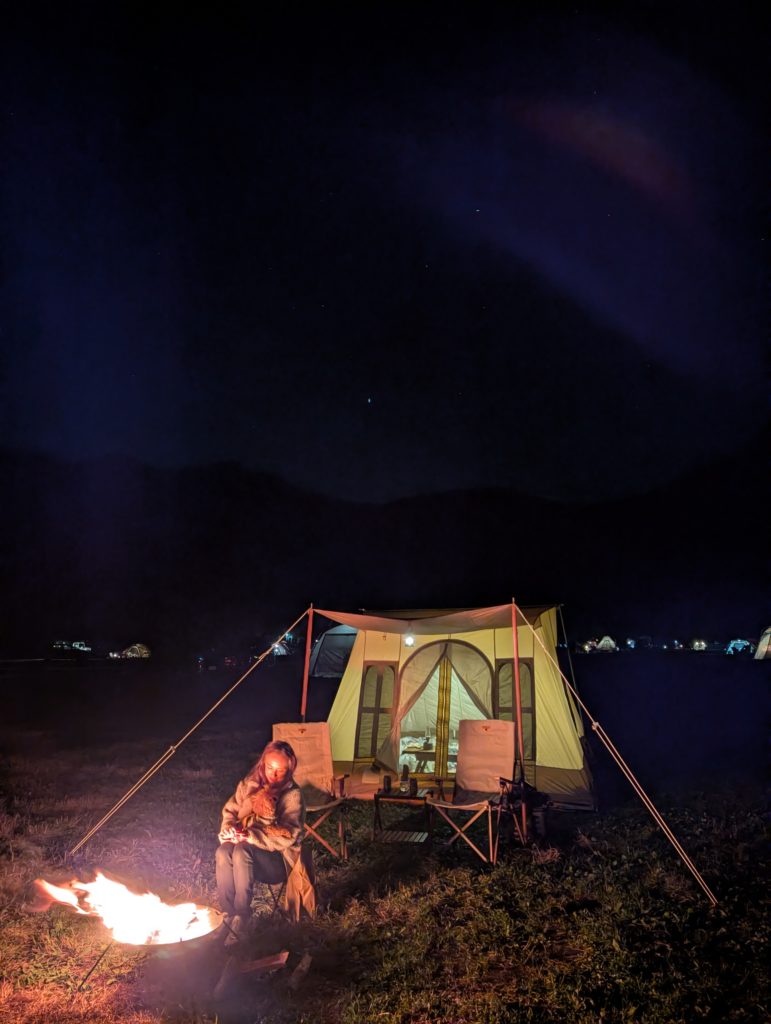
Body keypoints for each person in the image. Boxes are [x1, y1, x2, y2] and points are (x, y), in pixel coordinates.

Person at [215, 740, 310, 935]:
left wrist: (249, 836)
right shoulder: (248, 786)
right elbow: (230, 812)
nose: (273, 775)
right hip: (245, 857)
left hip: (277, 863)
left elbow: (288, 836)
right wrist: (229, 831)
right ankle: (227, 914)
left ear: (289, 770)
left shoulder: (292, 795)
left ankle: (242, 916)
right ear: (262, 764)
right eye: (269, 768)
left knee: (242, 849)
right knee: (223, 851)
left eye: (280, 771)